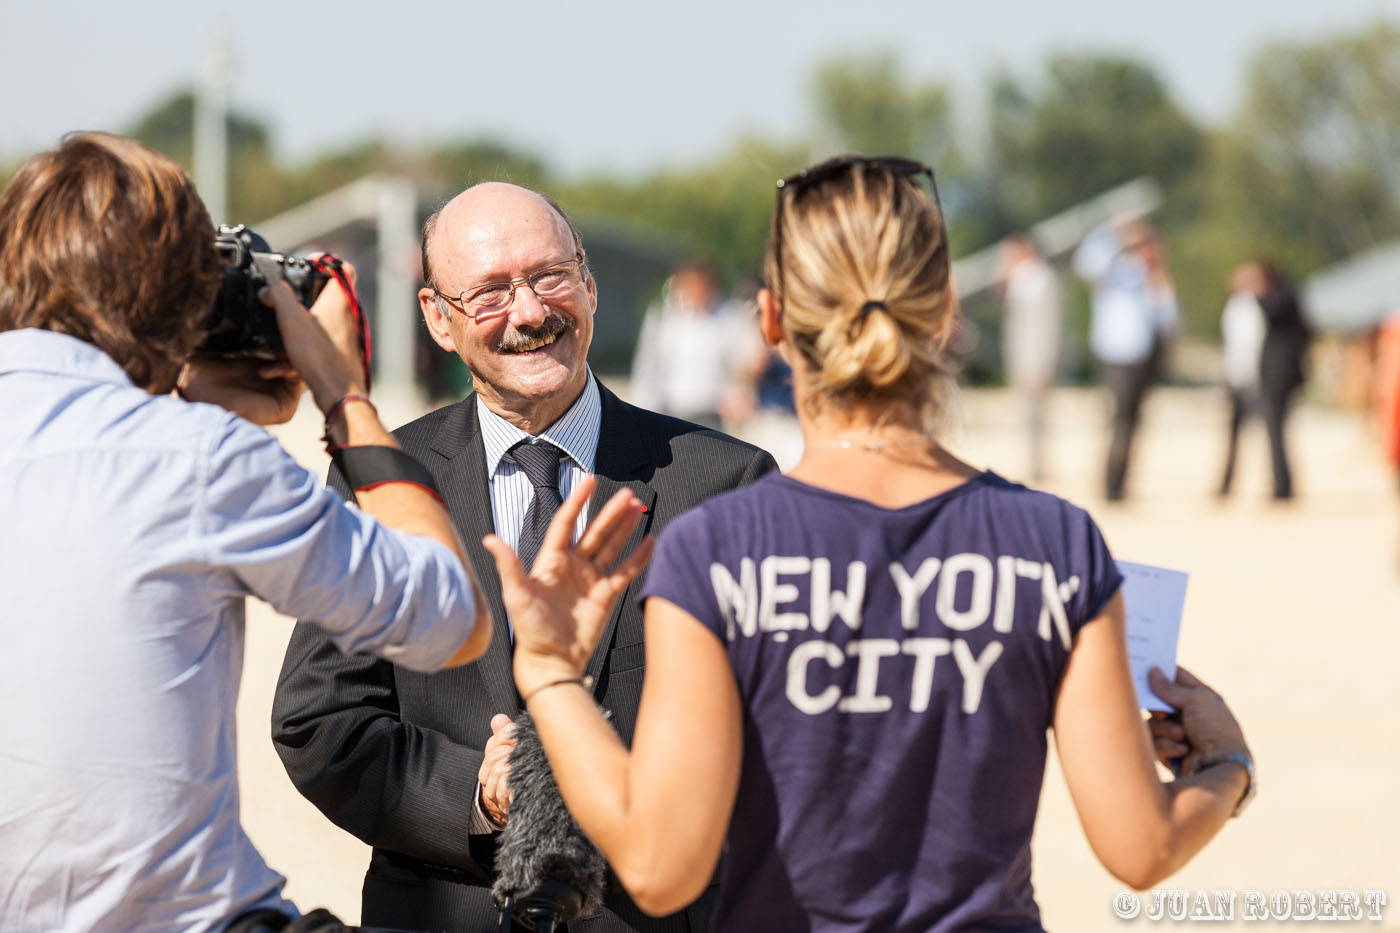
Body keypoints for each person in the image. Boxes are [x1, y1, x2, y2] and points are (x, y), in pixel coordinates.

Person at [489, 156, 1255, 932]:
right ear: (945, 310)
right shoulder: (1056, 542)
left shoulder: (717, 546)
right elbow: (1141, 846)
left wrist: (550, 675)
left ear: (770, 319)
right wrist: (1227, 764)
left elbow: (659, 868)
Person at [0, 133, 496, 932]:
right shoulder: (196, 459)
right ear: (175, 294)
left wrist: (175, 389)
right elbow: (450, 616)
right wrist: (346, 399)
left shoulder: (178, 441)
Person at [271, 182, 776, 932]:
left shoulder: (726, 482)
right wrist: (475, 794)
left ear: (590, 285)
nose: (532, 311)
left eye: (550, 277)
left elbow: (772, 740)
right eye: (490, 293)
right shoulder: (381, 476)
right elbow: (321, 721)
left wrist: (597, 777)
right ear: (438, 320)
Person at [1074, 218, 1179, 501]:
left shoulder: (1156, 280)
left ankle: (1122, 483)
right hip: (1119, 356)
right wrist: (1116, 235)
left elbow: (1169, 322)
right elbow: (1087, 263)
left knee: (1134, 423)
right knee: (1120, 423)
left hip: (1145, 358)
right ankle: (1110, 485)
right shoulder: (1118, 271)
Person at [629, 259, 759, 430]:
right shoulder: (664, 317)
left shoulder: (728, 317)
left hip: (712, 411)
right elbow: (648, 363)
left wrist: (739, 393)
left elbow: (746, 361)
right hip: (672, 408)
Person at [997, 232, 1063, 482]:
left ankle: (1040, 467)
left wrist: (1044, 362)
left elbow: (1049, 326)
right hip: (1021, 356)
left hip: (1035, 358)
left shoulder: (1042, 279)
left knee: (1037, 416)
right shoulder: (1020, 280)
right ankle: (1034, 465)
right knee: (1028, 415)